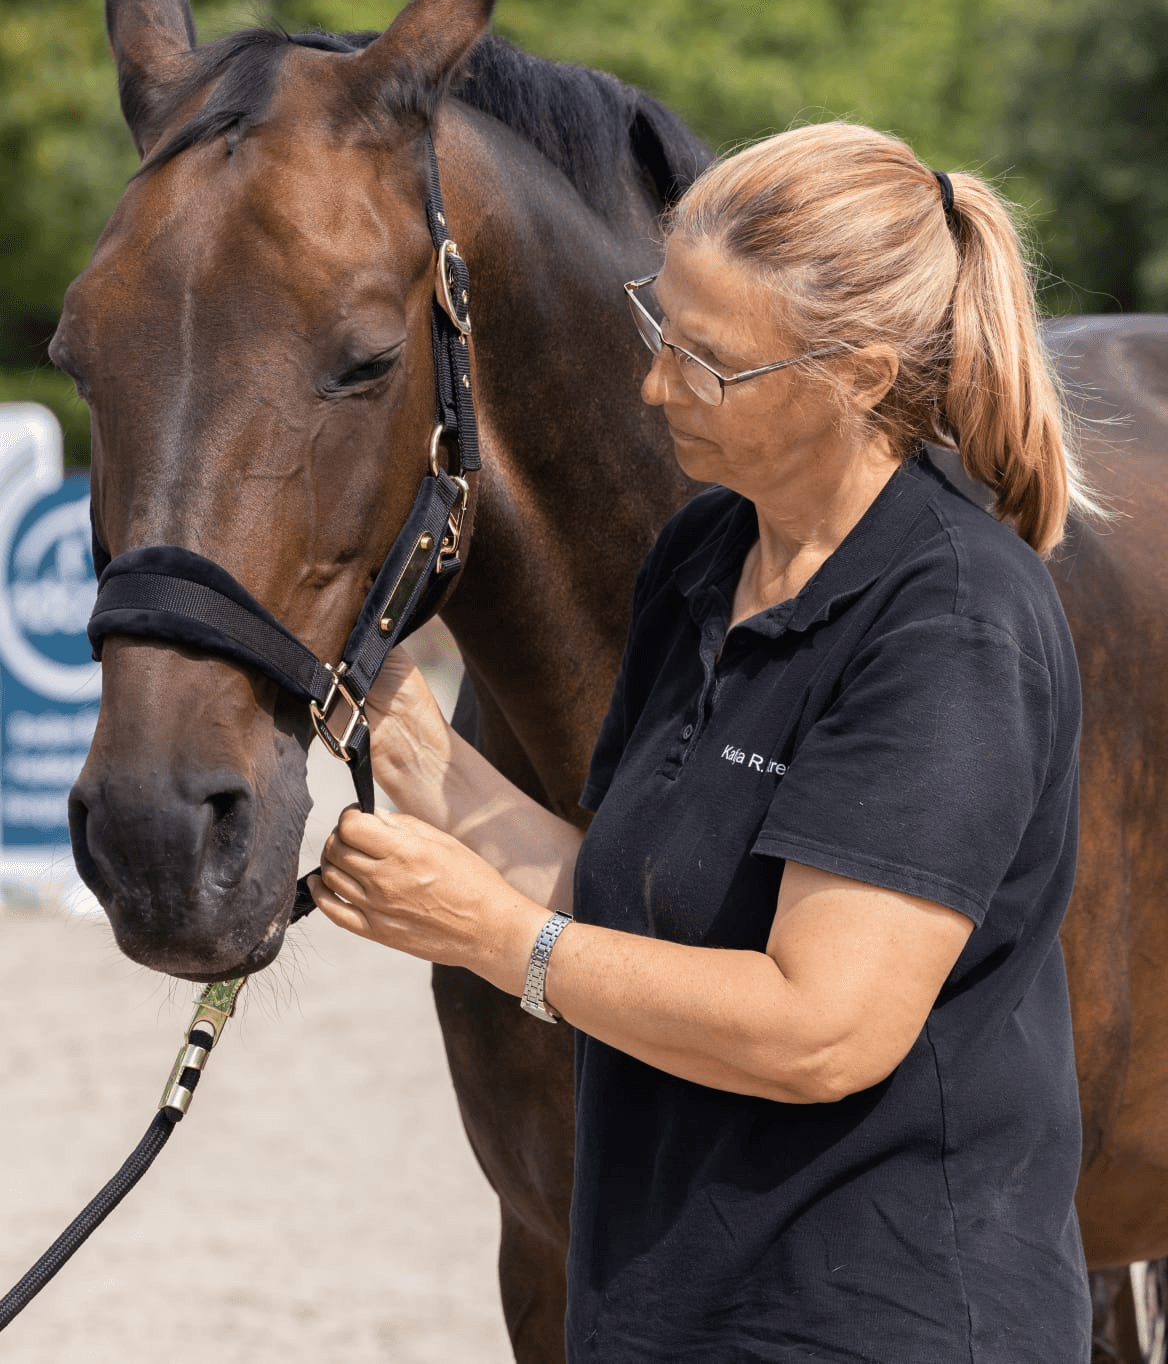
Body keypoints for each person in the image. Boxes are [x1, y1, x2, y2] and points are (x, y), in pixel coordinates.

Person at [309, 121, 1097, 1363]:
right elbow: (639, 903)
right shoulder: (704, 555)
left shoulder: (947, 619)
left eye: (709, 361)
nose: (655, 384)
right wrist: (411, 743)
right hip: (675, 1309)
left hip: (876, 1323)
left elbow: (822, 1027)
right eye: (658, 326)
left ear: (858, 375)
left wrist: (496, 937)